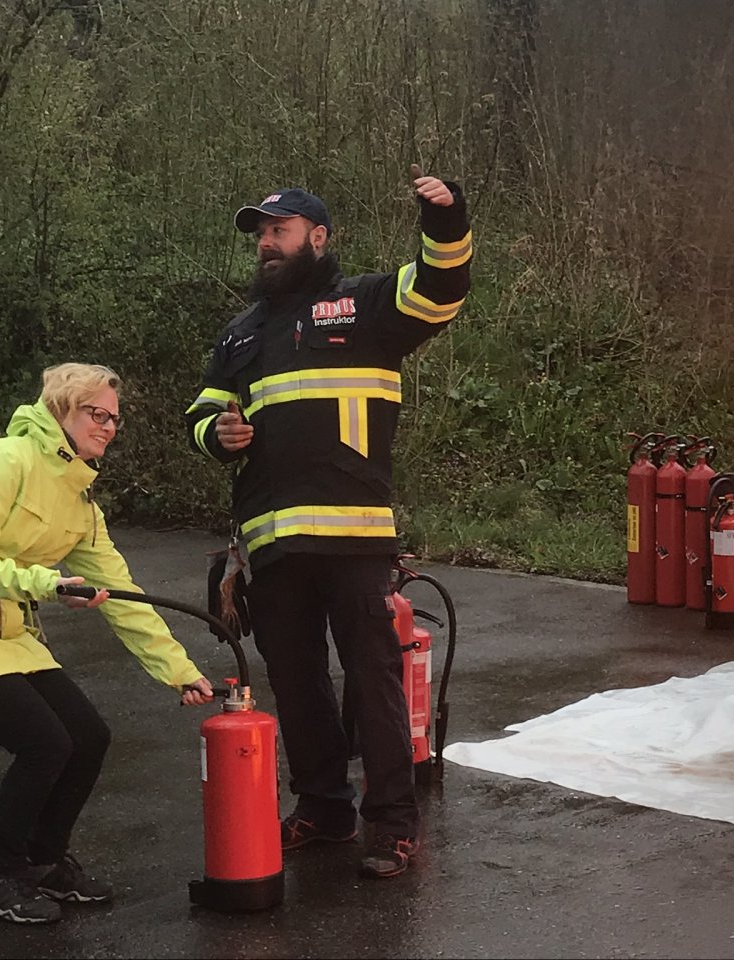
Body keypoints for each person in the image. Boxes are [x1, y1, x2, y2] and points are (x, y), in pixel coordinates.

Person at [185, 167, 472, 879]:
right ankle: (324, 809)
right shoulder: (242, 334)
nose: (266, 243)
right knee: (297, 682)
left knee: (373, 679)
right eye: (260, 234)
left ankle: (393, 824)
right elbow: (202, 412)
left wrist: (445, 220)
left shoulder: (364, 304)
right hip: (273, 543)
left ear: (317, 237)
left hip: (355, 538)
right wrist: (216, 433)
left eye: (278, 230)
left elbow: (440, 289)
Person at [0, 362, 216, 924]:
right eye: (97, 414)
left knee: (89, 736)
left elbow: (123, 595)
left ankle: (42, 861)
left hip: (5, 633)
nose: (109, 427)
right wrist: (50, 583)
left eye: (114, 419)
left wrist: (181, 670)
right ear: (61, 409)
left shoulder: (80, 500)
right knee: (45, 743)